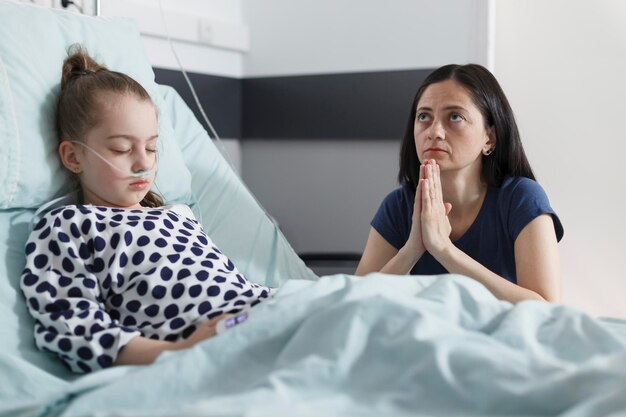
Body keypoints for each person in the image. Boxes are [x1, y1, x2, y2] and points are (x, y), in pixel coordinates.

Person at [20, 46, 273, 374]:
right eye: (121, 149)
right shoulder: (70, 225)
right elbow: (74, 327)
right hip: (221, 345)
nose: (143, 163)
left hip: (269, 309)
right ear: (73, 157)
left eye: (152, 147)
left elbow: (231, 284)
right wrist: (179, 350)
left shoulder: (179, 215)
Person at [355, 64, 563, 304]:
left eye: (455, 117)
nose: (435, 132)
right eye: (424, 116)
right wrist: (412, 250)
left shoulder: (522, 198)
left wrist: (445, 250)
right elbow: (351, 303)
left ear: (490, 138)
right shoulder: (398, 205)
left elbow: (547, 308)